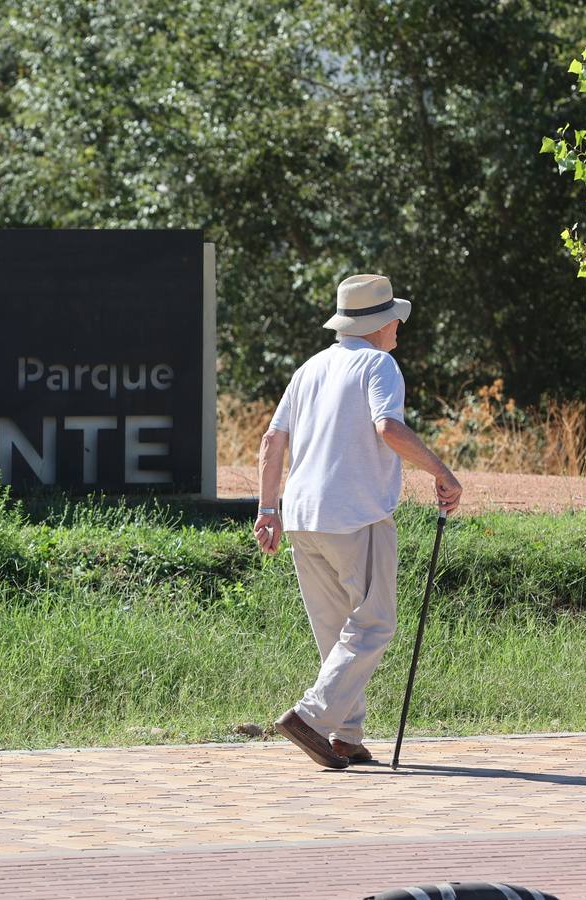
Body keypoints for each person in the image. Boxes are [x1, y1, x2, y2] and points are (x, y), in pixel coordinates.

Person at [254, 273, 462, 770]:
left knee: (336, 632)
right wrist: (442, 472)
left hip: (302, 517)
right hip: (355, 514)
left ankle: (345, 736)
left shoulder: (309, 368)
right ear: (378, 324)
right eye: (395, 321)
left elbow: (271, 441)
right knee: (374, 624)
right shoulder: (379, 364)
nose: (399, 330)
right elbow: (388, 427)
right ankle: (310, 716)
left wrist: (267, 510)